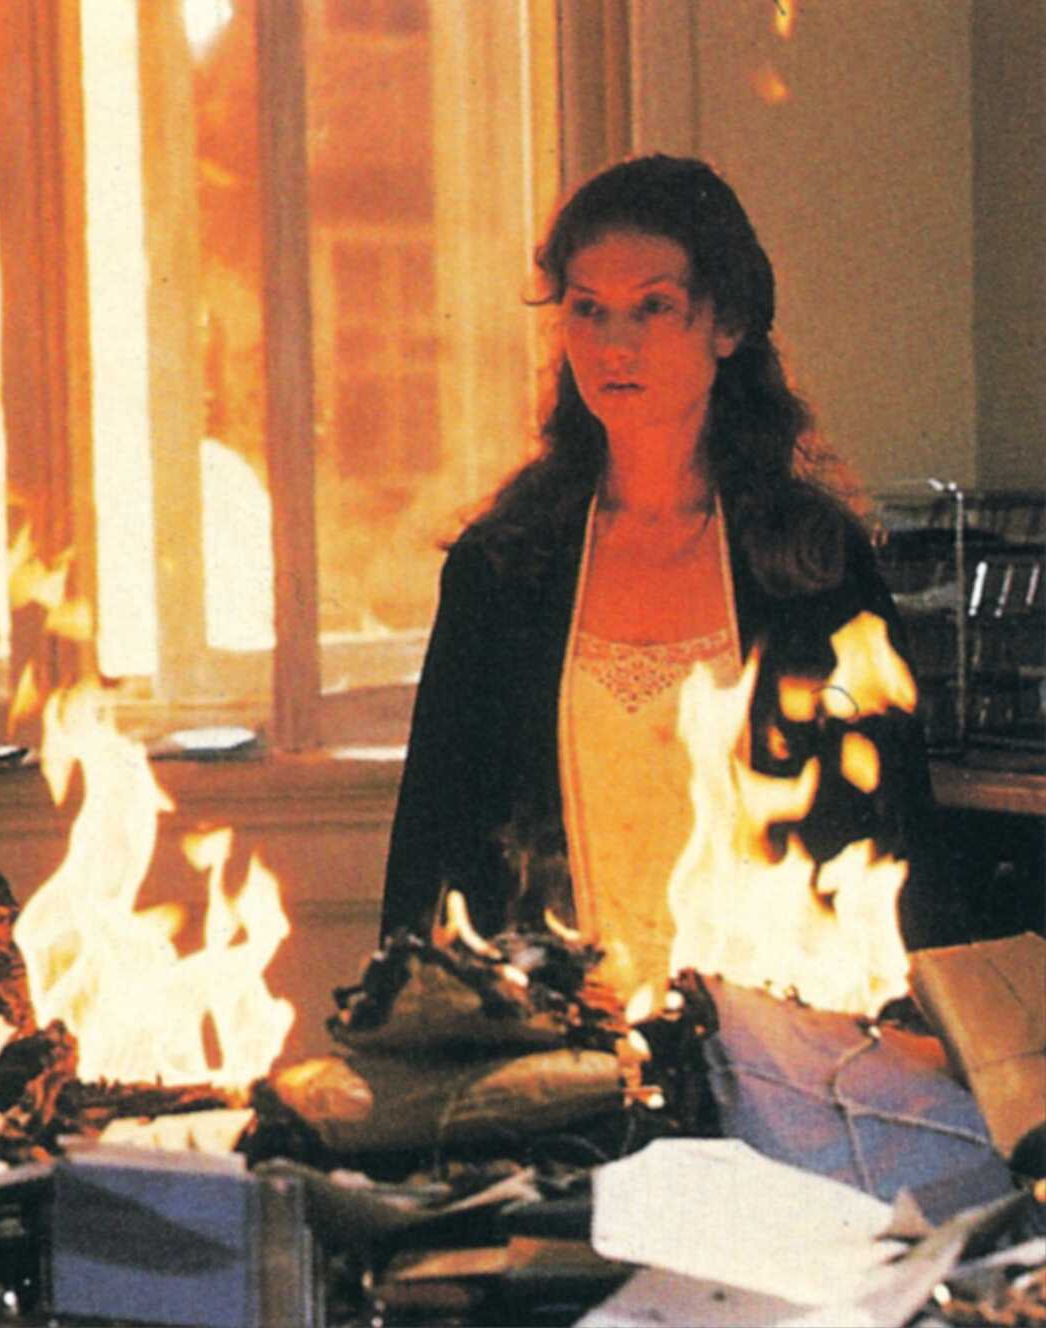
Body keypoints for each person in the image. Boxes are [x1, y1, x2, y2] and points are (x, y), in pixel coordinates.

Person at [379, 154, 954, 996]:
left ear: (728, 325)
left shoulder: (811, 561)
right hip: (553, 1043)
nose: (615, 346)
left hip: (775, 1037)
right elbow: (432, 839)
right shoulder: (503, 567)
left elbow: (895, 835)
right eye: (588, 309)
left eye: (654, 307)